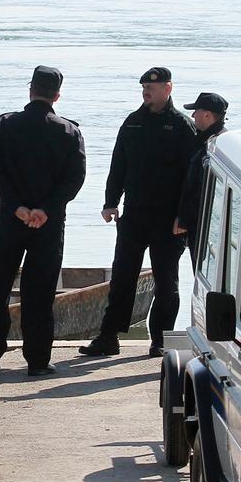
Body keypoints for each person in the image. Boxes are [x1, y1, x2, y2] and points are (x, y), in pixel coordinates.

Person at [0, 66, 86, 377]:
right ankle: (37, 361)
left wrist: (16, 207)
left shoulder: (6, 125)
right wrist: (46, 210)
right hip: (48, 224)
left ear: (30, 90)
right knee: (40, 292)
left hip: (11, 220)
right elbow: (74, 179)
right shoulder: (69, 131)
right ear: (57, 96)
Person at [80, 67, 197, 359]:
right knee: (122, 277)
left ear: (168, 89)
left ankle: (161, 340)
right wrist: (110, 202)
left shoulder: (182, 126)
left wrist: (183, 217)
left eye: (153, 87)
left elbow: (191, 178)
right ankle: (108, 337)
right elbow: (118, 165)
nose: (147, 91)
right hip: (134, 215)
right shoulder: (133, 123)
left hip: (168, 220)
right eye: (144, 86)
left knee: (166, 281)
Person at [174, 91, 228, 265]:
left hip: (204, 225)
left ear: (207, 114)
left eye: (195, 111)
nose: (192, 115)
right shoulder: (208, 141)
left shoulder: (213, 146)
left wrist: (184, 220)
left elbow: (201, 189)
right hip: (204, 223)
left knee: (202, 268)